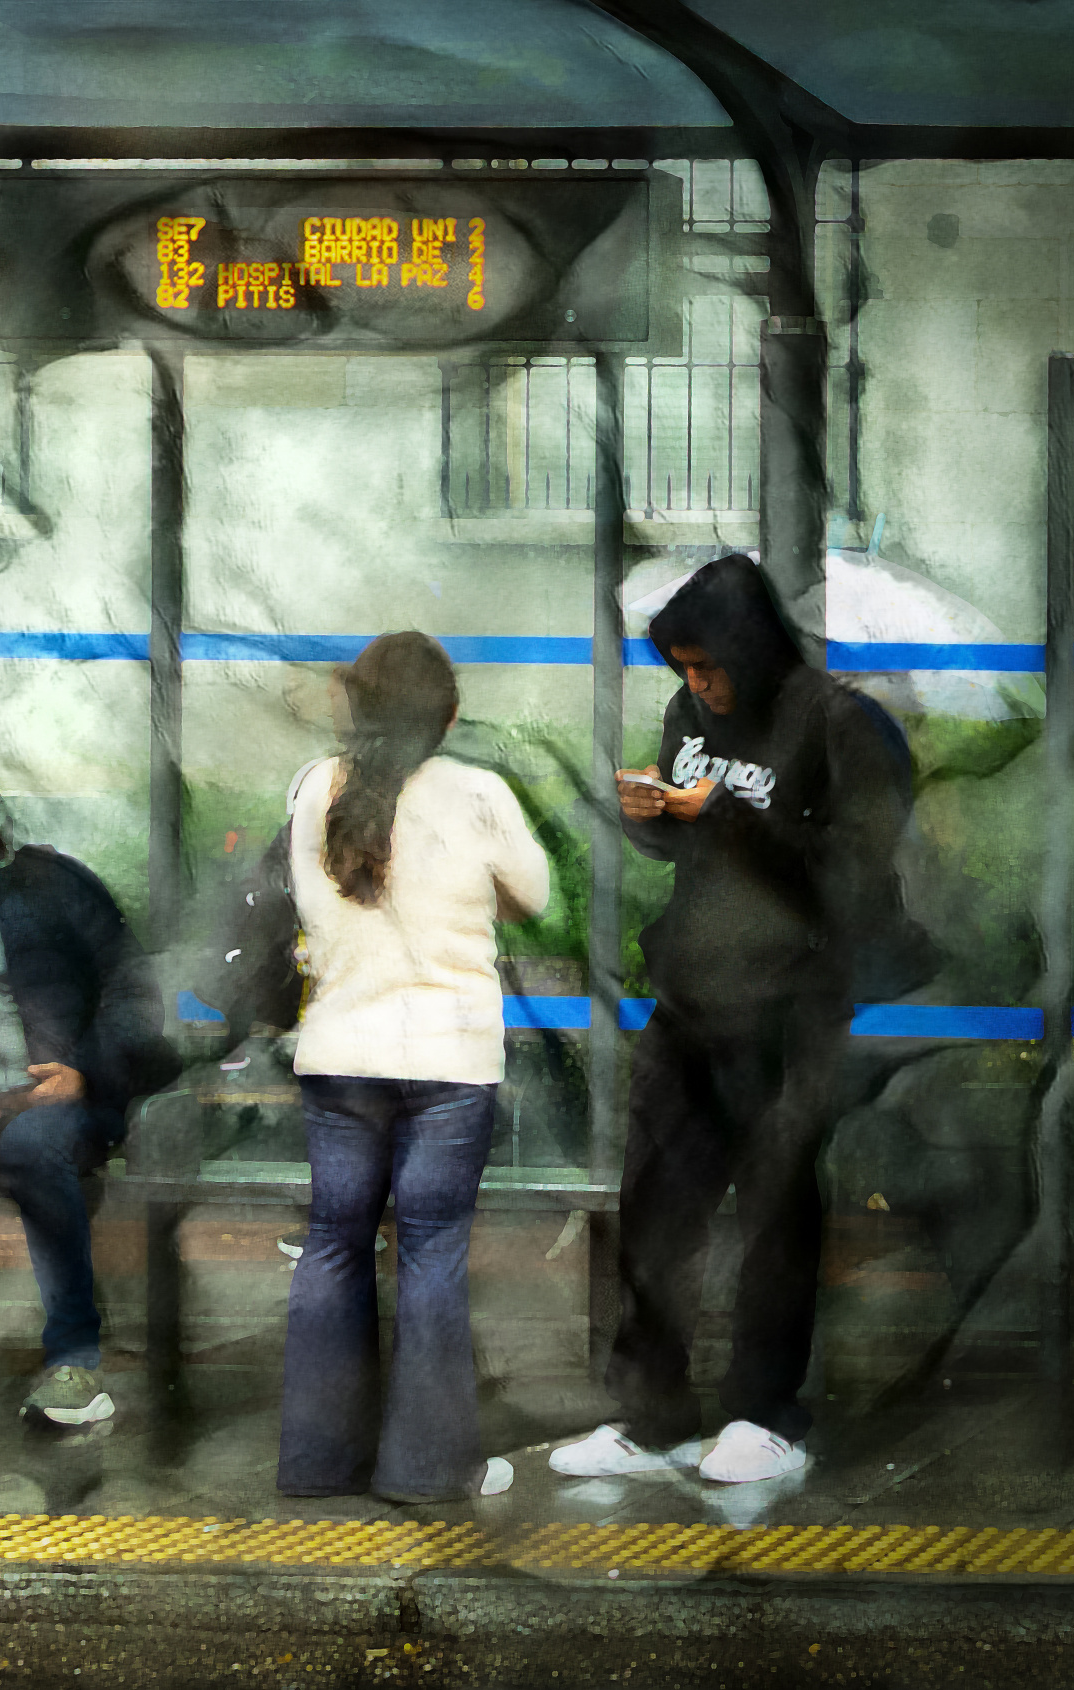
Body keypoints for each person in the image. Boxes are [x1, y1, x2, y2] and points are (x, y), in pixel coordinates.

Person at [554, 553, 911, 1487]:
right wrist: (652, 815)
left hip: (791, 1009)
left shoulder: (835, 724)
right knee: (654, 1210)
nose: (697, 685)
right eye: (681, 669)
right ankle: (651, 1414)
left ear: (749, 651)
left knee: (774, 1213)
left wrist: (727, 818)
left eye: (707, 666)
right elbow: (685, 845)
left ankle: (765, 1414)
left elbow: (853, 875)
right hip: (690, 1003)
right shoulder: (689, 716)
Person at [276, 632, 548, 1504]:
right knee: (430, 1253)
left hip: (339, 1056)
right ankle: (428, 1471)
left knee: (334, 1243)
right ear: (448, 715)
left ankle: (318, 1465)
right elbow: (536, 896)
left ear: (357, 705)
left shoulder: (313, 788)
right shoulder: (478, 793)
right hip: (449, 1060)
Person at [0, 812, 173, 1426]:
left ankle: (73, 1357)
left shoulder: (55, 883)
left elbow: (131, 991)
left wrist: (85, 1074)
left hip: (59, 1102)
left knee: (35, 1145)